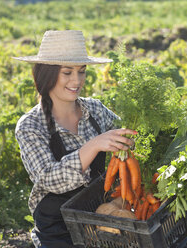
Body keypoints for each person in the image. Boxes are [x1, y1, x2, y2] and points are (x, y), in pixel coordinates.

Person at [13, 30, 137, 248]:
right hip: (57, 230)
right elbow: (48, 178)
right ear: (47, 74)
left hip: (100, 221)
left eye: (81, 71)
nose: (77, 80)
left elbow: (129, 137)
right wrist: (94, 145)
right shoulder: (31, 125)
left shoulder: (96, 110)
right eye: (67, 72)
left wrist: (131, 141)